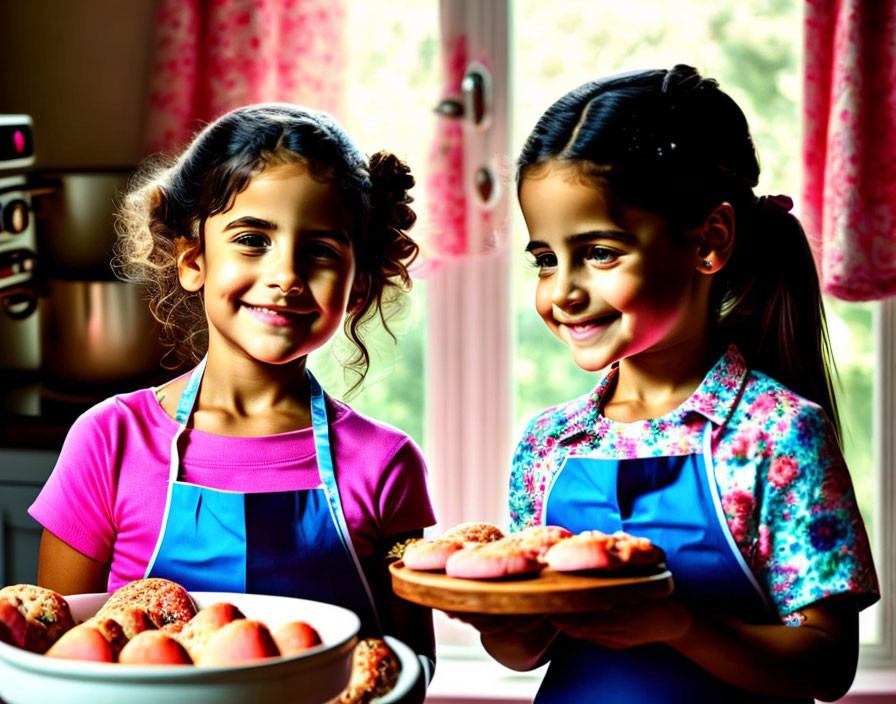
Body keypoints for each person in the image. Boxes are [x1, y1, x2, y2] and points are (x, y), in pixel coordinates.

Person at [459, 65, 879, 703]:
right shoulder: (549, 443)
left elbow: (826, 666)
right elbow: (522, 653)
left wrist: (677, 622)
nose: (563, 292)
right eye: (545, 259)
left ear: (709, 241)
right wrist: (497, 619)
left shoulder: (778, 434)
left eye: (600, 252)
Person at [28, 104, 436, 688]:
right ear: (194, 260)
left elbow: (408, 667)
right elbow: (56, 654)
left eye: (320, 250)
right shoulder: (110, 441)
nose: (286, 275)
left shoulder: (385, 463)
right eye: (252, 240)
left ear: (357, 284)